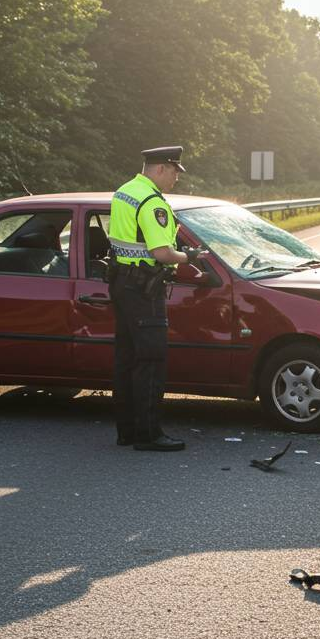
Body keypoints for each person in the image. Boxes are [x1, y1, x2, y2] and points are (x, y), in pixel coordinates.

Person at [108, 146, 194, 451]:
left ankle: (127, 431)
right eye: (174, 172)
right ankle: (149, 435)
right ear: (160, 169)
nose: (175, 179)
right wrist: (189, 257)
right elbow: (161, 253)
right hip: (145, 289)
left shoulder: (124, 192)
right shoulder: (151, 201)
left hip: (122, 283)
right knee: (151, 361)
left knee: (127, 359)